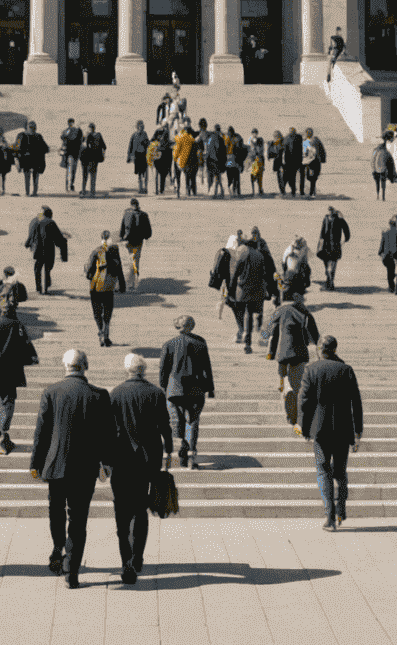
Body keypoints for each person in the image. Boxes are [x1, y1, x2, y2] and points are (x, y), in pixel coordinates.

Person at [30, 348, 114, 588]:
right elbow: (107, 435)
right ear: (85, 366)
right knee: (78, 519)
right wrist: (107, 463)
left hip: (56, 465)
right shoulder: (99, 395)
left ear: (65, 366)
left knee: (56, 510)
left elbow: (42, 432)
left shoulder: (52, 392)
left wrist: (35, 463)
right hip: (85, 468)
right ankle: (72, 571)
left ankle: (58, 548)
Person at [109, 354, 173, 584]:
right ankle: (137, 558)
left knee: (122, 511)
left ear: (127, 370)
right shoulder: (156, 393)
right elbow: (164, 424)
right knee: (140, 509)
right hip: (148, 458)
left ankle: (126, 560)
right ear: (144, 370)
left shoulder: (115, 393)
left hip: (121, 459)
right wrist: (170, 449)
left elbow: (109, 429)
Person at [297, 335, 362, 530]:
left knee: (324, 471)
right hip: (343, 430)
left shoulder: (312, 369)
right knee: (340, 472)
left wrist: (303, 426)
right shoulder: (346, 370)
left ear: (319, 349)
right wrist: (358, 431)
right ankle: (341, 509)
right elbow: (356, 403)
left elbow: (305, 400)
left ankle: (330, 517)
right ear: (335, 349)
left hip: (321, 429)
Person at [0, 296, 38, 455]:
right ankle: (3, 432)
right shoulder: (18, 325)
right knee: (8, 400)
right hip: (12, 367)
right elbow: (26, 344)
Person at [159, 315, 216, 469]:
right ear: (192, 326)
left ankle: (182, 445)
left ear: (177, 326)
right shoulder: (200, 343)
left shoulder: (169, 344)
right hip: (196, 389)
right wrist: (210, 388)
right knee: (192, 421)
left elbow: (163, 370)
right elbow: (207, 367)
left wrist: (163, 387)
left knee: (176, 420)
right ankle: (190, 450)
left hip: (174, 389)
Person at [266, 288, 319, 427]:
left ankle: (285, 390)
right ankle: (295, 412)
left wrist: (270, 353)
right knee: (298, 385)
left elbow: (272, 334)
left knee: (284, 380)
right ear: (297, 298)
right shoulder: (304, 311)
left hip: (282, 354)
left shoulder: (279, 311)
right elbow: (315, 335)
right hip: (300, 353)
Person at [228, 233, 270, 352]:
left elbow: (236, 273)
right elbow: (264, 275)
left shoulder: (242, 253)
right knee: (250, 314)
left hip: (242, 290)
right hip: (256, 290)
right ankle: (248, 341)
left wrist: (231, 290)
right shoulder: (259, 255)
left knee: (243, 313)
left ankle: (243, 333)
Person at [85, 229, 126, 347]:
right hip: (109, 287)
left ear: (101, 239)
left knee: (97, 312)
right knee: (107, 312)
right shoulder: (115, 252)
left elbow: (89, 271)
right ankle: (106, 334)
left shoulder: (96, 251)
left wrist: (88, 275)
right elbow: (120, 270)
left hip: (96, 287)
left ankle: (101, 332)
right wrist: (122, 286)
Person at [26, 205, 68, 293]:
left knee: (37, 268)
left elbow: (31, 234)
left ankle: (38, 287)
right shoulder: (51, 222)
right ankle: (46, 286)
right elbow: (59, 239)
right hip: (49, 250)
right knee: (47, 268)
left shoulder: (35, 221)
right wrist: (64, 256)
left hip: (38, 249)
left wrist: (28, 244)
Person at [119, 197, 152, 288]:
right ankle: (134, 282)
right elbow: (148, 231)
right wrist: (146, 236)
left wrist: (121, 237)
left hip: (128, 240)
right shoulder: (144, 215)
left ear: (131, 205)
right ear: (138, 205)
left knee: (131, 258)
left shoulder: (126, 213)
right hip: (138, 241)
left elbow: (122, 227)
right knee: (136, 260)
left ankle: (130, 281)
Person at [317, 207, 350, 290]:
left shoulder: (339, 220)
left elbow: (346, 230)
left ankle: (330, 283)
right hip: (325, 246)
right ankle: (329, 281)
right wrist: (320, 244)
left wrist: (345, 240)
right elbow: (322, 231)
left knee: (333, 265)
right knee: (326, 265)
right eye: (329, 212)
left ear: (334, 212)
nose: (330, 213)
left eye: (331, 212)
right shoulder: (325, 218)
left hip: (335, 246)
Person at [20, 120, 48, 197]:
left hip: (33, 160)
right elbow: (20, 148)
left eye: (33, 127)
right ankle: (30, 192)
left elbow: (45, 148)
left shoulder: (37, 136)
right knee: (30, 176)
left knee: (31, 176)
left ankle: (31, 192)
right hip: (30, 160)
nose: (32, 129)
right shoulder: (26, 136)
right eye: (31, 127)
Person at [378, 220, 397, 292]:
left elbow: (382, 244)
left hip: (387, 256)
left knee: (390, 271)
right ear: (395, 225)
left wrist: (380, 252)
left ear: (389, 225)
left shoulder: (386, 233)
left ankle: (391, 287)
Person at [79, 122, 106, 196]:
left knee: (85, 176)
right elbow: (104, 146)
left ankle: (84, 191)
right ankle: (92, 192)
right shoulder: (98, 135)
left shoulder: (86, 136)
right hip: (94, 159)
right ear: (94, 128)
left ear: (89, 128)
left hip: (85, 159)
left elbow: (81, 145)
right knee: (93, 176)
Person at [173, 121, 196, 197]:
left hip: (181, 161)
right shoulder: (191, 139)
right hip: (189, 160)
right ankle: (188, 190)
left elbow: (177, 150)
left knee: (177, 174)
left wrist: (175, 158)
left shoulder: (180, 138)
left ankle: (178, 190)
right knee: (188, 176)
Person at [60, 118, 83, 193]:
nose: (71, 124)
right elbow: (63, 137)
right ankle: (69, 185)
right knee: (71, 170)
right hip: (71, 153)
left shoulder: (75, 130)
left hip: (73, 153)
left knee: (71, 170)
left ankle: (70, 185)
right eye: (71, 123)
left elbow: (81, 139)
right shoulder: (68, 130)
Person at [127, 120, 150, 194]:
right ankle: (140, 188)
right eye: (140, 126)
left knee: (145, 172)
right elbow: (130, 146)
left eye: (142, 126)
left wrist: (145, 143)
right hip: (137, 156)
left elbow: (148, 143)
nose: (141, 128)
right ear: (137, 127)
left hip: (144, 155)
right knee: (139, 173)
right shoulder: (134, 135)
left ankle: (145, 188)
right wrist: (129, 156)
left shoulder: (144, 134)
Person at [301, 128, 326, 197]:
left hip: (314, 161)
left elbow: (321, 150)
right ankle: (312, 192)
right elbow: (304, 152)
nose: (307, 134)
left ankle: (312, 193)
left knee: (312, 177)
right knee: (311, 177)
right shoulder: (307, 141)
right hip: (311, 161)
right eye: (307, 133)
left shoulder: (314, 140)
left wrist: (322, 159)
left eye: (308, 133)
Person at [149, 124, 172, 196]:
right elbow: (152, 140)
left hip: (161, 155)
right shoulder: (160, 132)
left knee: (160, 174)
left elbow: (152, 140)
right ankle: (160, 189)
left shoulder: (163, 133)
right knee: (162, 174)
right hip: (162, 156)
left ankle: (159, 189)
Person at [281, 127, 304, 197]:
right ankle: (298, 191)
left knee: (292, 177)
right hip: (296, 160)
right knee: (295, 176)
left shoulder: (286, 138)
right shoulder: (298, 137)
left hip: (291, 161)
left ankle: (294, 191)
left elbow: (284, 149)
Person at [248, 130, 266, 195]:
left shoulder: (260, 140)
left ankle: (260, 190)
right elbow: (251, 152)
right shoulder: (251, 141)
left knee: (260, 177)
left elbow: (260, 150)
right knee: (253, 176)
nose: (254, 134)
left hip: (259, 160)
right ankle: (254, 191)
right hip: (255, 161)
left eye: (255, 133)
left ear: (257, 133)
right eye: (253, 133)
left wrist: (255, 145)